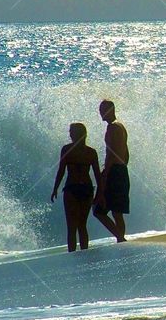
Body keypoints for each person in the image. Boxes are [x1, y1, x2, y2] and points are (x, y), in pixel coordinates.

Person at [51, 123, 101, 251]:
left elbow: (61, 170)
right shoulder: (91, 152)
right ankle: (84, 252)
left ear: (77, 134)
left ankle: (73, 255)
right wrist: (100, 193)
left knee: (72, 227)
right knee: (81, 226)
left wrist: (55, 188)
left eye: (72, 132)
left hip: (72, 189)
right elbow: (97, 176)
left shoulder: (67, 149)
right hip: (87, 189)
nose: (70, 134)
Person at [93, 99, 130, 242]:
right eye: (100, 109)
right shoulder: (121, 126)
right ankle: (120, 240)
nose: (101, 112)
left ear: (111, 110)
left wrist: (105, 173)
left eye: (103, 109)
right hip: (122, 169)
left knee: (98, 210)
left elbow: (111, 154)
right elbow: (126, 153)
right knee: (117, 212)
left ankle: (120, 238)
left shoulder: (112, 128)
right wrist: (123, 165)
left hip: (114, 171)